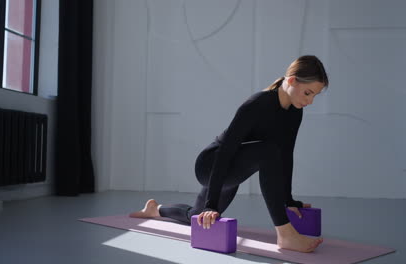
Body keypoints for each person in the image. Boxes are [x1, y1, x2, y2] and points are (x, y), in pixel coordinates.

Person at [129, 55, 329, 253]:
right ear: (292, 80)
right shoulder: (257, 104)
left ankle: (155, 209)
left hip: (232, 170)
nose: (310, 101)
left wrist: (289, 200)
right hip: (211, 165)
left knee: (196, 216)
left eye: (314, 96)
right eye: (308, 93)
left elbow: (286, 155)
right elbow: (225, 152)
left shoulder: (295, 112)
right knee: (268, 150)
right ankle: (285, 234)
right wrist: (212, 204)